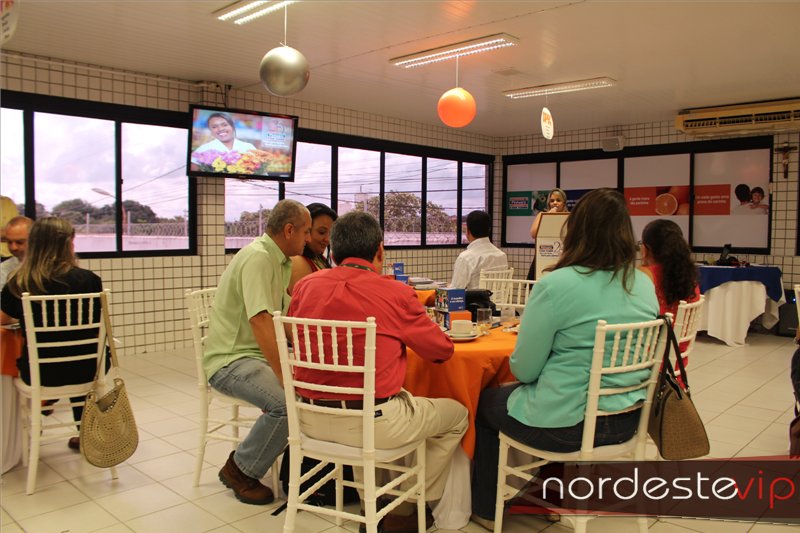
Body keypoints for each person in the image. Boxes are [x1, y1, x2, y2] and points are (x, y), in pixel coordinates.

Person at [469, 188, 658, 530]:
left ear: (574, 230)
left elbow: (524, 369)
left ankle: (486, 507)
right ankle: (548, 494)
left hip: (569, 428)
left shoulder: (556, 284)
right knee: (545, 400)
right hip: (628, 419)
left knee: (485, 405)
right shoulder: (642, 284)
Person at [290, 211, 468, 533]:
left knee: (364, 405)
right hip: (376, 425)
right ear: (380, 251)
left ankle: (370, 504)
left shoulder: (304, 287)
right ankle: (406, 508)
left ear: (333, 250)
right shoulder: (394, 293)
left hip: (308, 420)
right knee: (457, 416)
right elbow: (441, 351)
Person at [203, 199, 311, 505]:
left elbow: (285, 319)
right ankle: (240, 470)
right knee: (287, 403)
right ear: (289, 230)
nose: (308, 239)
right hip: (230, 361)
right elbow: (261, 320)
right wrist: (283, 374)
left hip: (252, 357)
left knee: (305, 389)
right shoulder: (259, 258)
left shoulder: (280, 261)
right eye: (306, 231)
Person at [0, 217, 105, 452]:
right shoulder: (90, 280)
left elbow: (2, 319)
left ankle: (22, 431)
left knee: (24, 363)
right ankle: (85, 432)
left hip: (41, 374)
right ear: (66, 244)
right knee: (75, 357)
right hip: (88, 369)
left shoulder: (20, 282)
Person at [639, 219, 701, 367]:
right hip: (677, 363)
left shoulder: (645, 276)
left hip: (647, 364)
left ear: (646, 248)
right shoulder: (690, 279)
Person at [450, 210, 508, 289]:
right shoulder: (502, 255)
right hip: (499, 297)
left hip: (474, 297)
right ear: (489, 230)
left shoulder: (466, 258)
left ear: (468, 231)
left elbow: (455, 290)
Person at [288, 202, 337, 294]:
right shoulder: (298, 261)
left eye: (330, 233)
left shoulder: (319, 258)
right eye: (322, 232)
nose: (327, 239)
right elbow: (301, 301)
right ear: (306, 230)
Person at [189, 113, 257, 171]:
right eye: (214, 127)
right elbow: (193, 173)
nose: (220, 129)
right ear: (210, 130)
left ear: (232, 126)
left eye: (225, 125)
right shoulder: (203, 149)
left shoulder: (249, 147)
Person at [526, 188, 569, 280]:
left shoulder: (569, 216)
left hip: (562, 256)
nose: (555, 203)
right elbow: (533, 234)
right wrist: (549, 216)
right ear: (548, 203)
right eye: (552, 201)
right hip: (544, 254)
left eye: (558, 200)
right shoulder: (542, 215)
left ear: (564, 203)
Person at [0, 216, 33, 289]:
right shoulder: (3, 269)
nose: (13, 248)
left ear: (34, 240)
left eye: (20, 242)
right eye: (9, 242)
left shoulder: (49, 266)